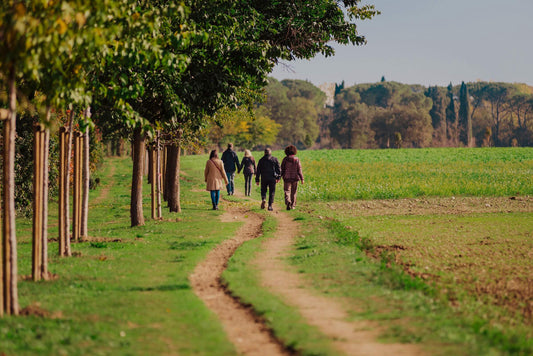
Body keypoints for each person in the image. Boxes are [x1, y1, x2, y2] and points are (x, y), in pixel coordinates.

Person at [281, 144, 304, 210]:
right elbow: (299, 169)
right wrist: (302, 178)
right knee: (294, 192)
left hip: (286, 178)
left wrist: (279, 177)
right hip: (295, 178)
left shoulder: (285, 159)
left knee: (287, 191)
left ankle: (288, 201)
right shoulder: (297, 159)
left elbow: (282, 169)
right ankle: (293, 205)